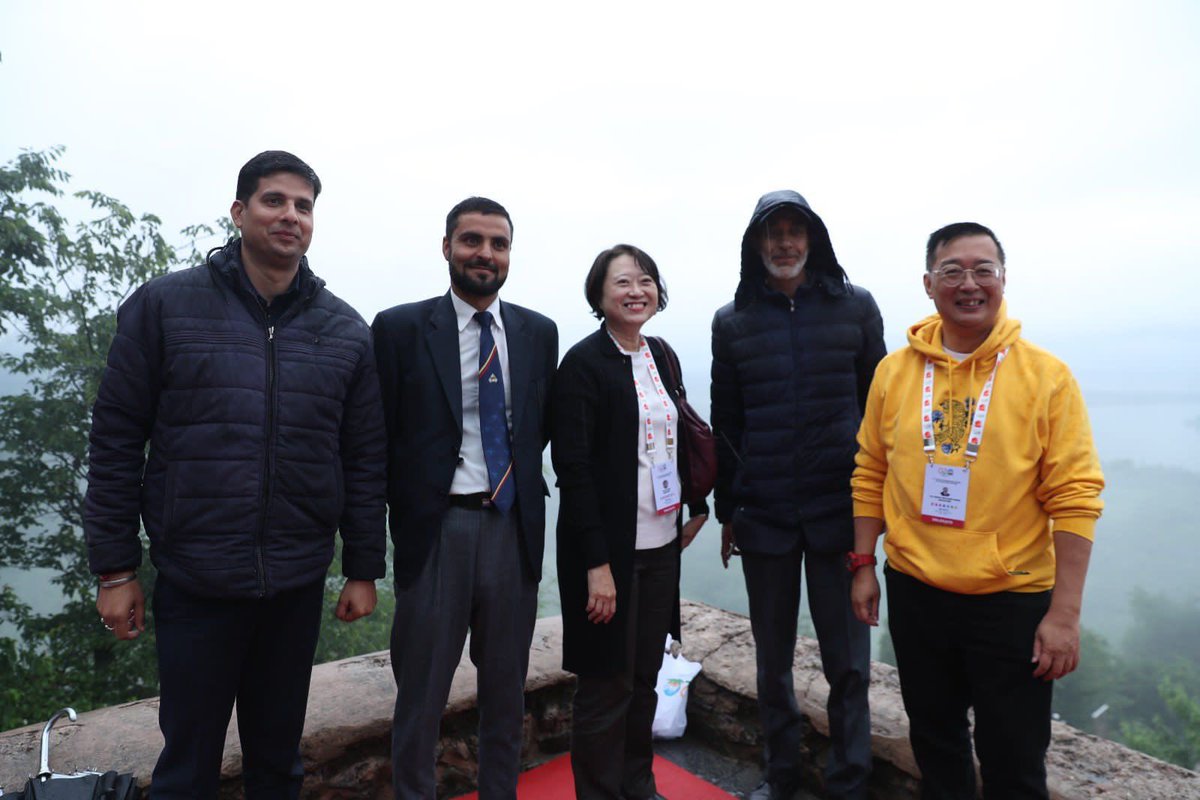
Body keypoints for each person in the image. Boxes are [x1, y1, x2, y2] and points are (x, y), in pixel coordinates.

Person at [85, 151, 387, 798]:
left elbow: (363, 459)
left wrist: (362, 565)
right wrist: (115, 570)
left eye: (304, 206)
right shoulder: (166, 308)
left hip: (296, 583)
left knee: (278, 764)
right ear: (239, 211)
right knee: (187, 765)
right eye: (275, 200)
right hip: (196, 581)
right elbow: (115, 441)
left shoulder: (345, 333)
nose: (290, 216)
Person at [850, 222, 1105, 799]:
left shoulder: (1046, 378)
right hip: (917, 590)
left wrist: (1063, 615)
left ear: (1003, 279)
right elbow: (871, 471)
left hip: (1011, 600)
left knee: (1013, 760)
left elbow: (1075, 497)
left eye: (982, 270)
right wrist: (862, 563)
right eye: (952, 271)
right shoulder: (894, 373)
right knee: (935, 747)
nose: (969, 283)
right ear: (928, 283)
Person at [372, 197, 558, 800]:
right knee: (420, 699)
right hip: (436, 533)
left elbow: (537, 429)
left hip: (511, 528)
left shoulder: (537, 332)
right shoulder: (400, 329)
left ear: (509, 254)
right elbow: (379, 440)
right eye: (473, 240)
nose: (485, 253)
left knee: (506, 695)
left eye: (498, 243)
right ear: (447, 246)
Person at [710, 191, 884, 800]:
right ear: (755, 244)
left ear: (813, 239)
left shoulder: (855, 308)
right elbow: (725, 422)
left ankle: (849, 783)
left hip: (840, 511)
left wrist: (877, 509)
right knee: (772, 661)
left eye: (795, 231)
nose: (784, 242)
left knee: (849, 664)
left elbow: (878, 412)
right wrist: (727, 509)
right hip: (765, 513)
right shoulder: (732, 320)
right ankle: (779, 776)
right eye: (773, 233)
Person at [552, 244, 709, 800]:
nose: (635, 291)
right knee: (605, 684)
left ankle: (637, 784)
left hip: (661, 545)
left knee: (644, 680)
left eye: (645, 280)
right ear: (599, 295)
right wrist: (597, 565)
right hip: (607, 553)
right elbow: (573, 470)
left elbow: (681, 439)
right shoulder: (583, 364)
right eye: (622, 282)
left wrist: (695, 508)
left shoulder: (662, 355)